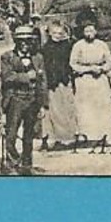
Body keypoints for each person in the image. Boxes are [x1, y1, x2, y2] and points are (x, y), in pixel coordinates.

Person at [0, 23, 48, 175]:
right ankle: (12, 163)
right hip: (15, 99)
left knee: (29, 135)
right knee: (11, 134)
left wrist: (43, 104)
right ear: (17, 42)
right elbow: (7, 77)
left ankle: (27, 164)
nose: (25, 44)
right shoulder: (8, 57)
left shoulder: (38, 58)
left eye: (28, 41)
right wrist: (27, 77)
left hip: (32, 99)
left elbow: (43, 81)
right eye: (22, 41)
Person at [70, 18, 111, 144]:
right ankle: (87, 135)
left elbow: (109, 61)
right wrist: (87, 69)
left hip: (100, 80)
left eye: (91, 30)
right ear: (83, 32)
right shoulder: (78, 46)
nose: (89, 33)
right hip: (84, 80)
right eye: (86, 31)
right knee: (85, 108)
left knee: (101, 107)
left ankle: (103, 136)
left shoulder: (102, 45)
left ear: (96, 31)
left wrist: (102, 68)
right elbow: (73, 64)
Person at [39, 19, 77, 149]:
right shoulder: (45, 48)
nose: (57, 35)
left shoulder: (67, 46)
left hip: (64, 80)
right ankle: (58, 137)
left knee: (67, 108)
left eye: (60, 33)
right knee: (54, 110)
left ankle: (68, 136)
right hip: (52, 82)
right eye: (54, 33)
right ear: (49, 33)